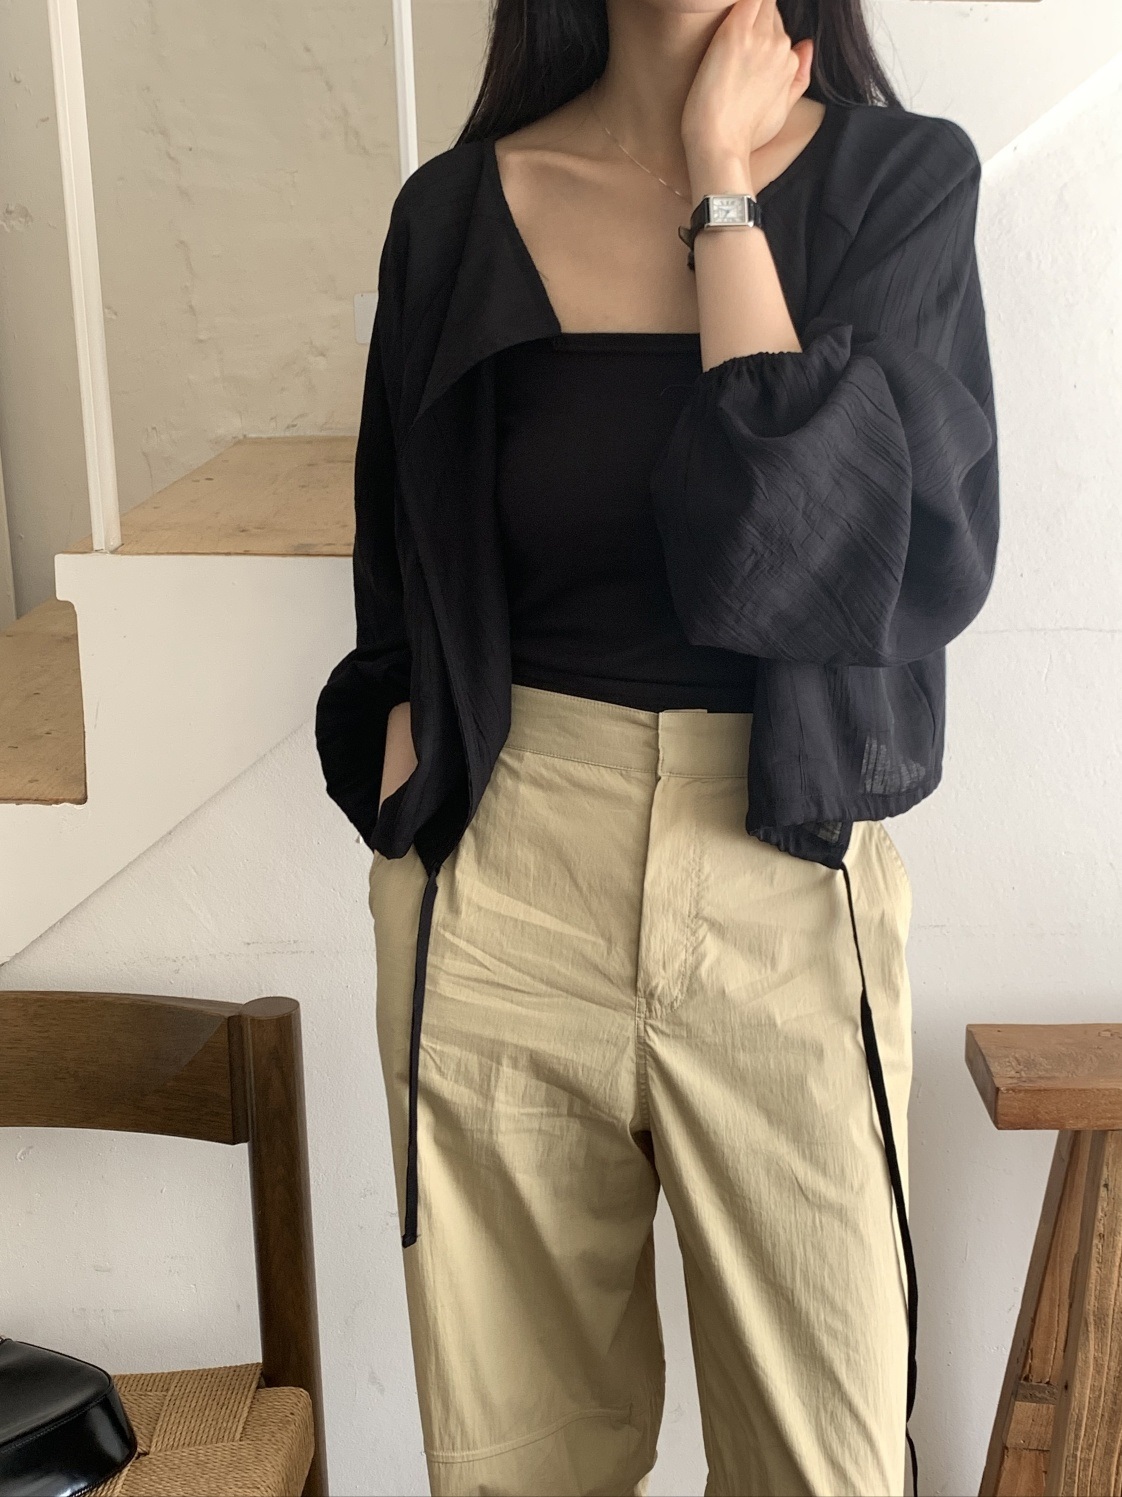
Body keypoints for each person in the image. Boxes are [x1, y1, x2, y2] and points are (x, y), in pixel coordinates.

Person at [315, 0, 999, 1491]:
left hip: (777, 867)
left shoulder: (897, 184)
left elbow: (806, 568)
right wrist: (413, 784)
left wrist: (721, 190)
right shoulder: (456, 213)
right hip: (503, 872)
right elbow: (400, 552)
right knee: (519, 1462)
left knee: (824, 1459)